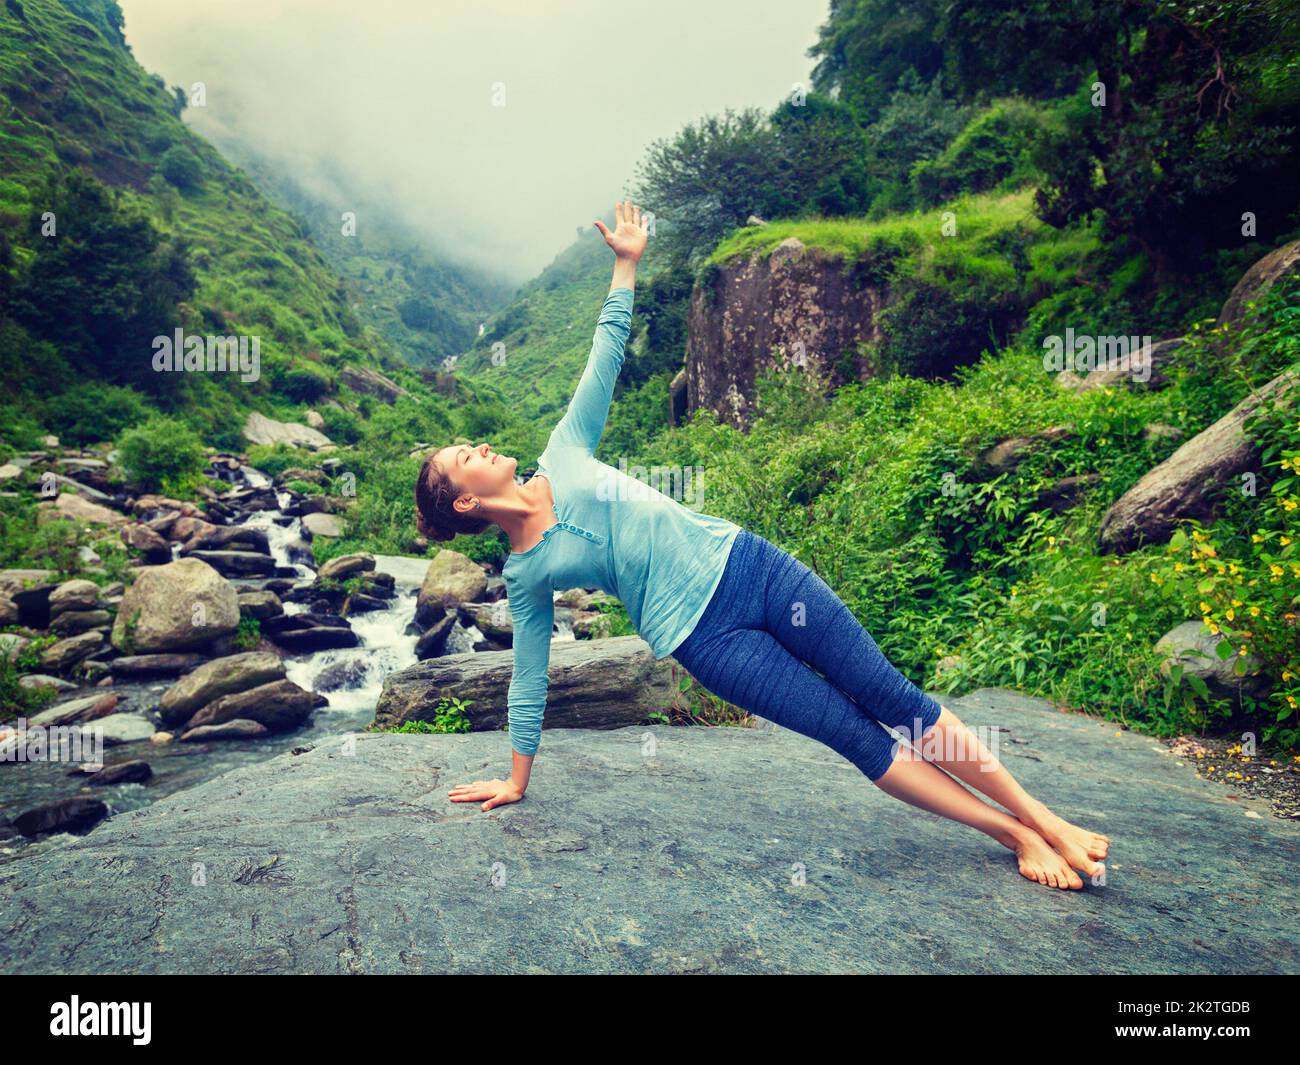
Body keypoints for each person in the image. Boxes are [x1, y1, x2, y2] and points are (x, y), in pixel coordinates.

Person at [415, 201, 1110, 890]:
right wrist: (514, 776)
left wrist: (626, 263)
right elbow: (529, 673)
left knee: (893, 696)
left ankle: (1042, 815)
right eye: (462, 455)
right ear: (466, 501)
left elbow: (607, 350)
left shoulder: (562, 451)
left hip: (750, 565)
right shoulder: (525, 575)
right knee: (855, 736)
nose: (479, 444)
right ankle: (1012, 833)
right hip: (707, 640)